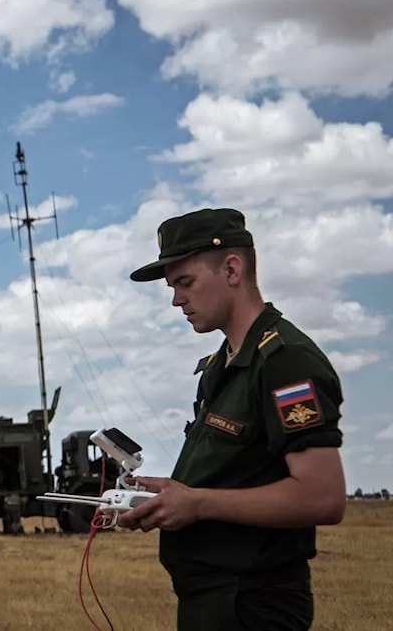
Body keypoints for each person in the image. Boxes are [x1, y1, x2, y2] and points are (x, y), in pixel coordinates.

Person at [118, 207, 347, 631]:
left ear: (232, 268)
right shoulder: (222, 366)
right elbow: (239, 473)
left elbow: (323, 497)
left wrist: (198, 503)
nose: (175, 299)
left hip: (253, 605)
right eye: (172, 287)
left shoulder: (285, 362)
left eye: (185, 282)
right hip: (215, 603)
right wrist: (174, 495)